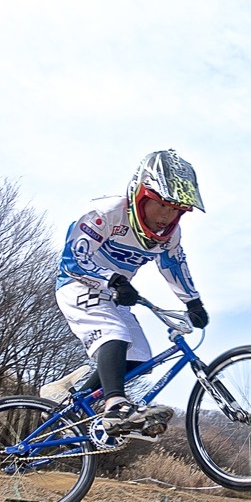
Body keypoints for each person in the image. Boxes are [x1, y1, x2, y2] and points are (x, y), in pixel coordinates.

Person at [41, 149, 209, 433]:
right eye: (162, 206)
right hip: (77, 285)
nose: (167, 217)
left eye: (177, 210)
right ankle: (115, 405)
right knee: (114, 334)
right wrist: (113, 280)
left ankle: (71, 400)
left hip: (115, 295)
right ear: (141, 195)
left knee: (139, 359)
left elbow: (174, 266)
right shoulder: (106, 214)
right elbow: (72, 261)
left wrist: (192, 302)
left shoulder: (170, 236)